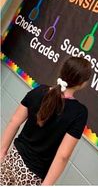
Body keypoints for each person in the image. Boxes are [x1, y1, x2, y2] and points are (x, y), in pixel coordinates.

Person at [0, 56, 91, 185]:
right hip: (33, 176)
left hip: (13, 159)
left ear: (62, 71)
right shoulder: (79, 113)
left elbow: (14, 121)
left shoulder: (39, 91)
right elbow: (63, 156)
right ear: (82, 83)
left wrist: (2, 152)